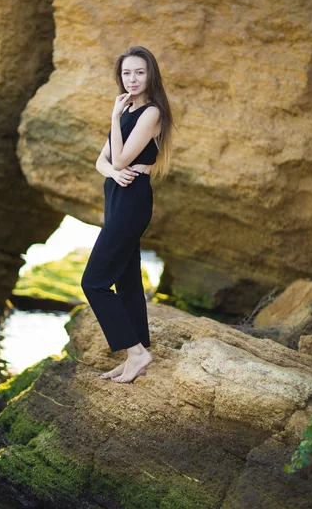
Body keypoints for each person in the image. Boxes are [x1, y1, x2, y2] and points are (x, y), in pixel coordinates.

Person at [81, 46, 174, 384]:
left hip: (133, 196)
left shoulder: (151, 113)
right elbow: (102, 162)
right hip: (118, 194)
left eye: (139, 72)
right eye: (126, 73)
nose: (132, 79)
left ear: (151, 75)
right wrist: (112, 173)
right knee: (127, 279)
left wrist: (113, 122)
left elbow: (119, 160)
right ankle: (137, 355)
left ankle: (135, 351)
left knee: (93, 282)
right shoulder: (127, 107)